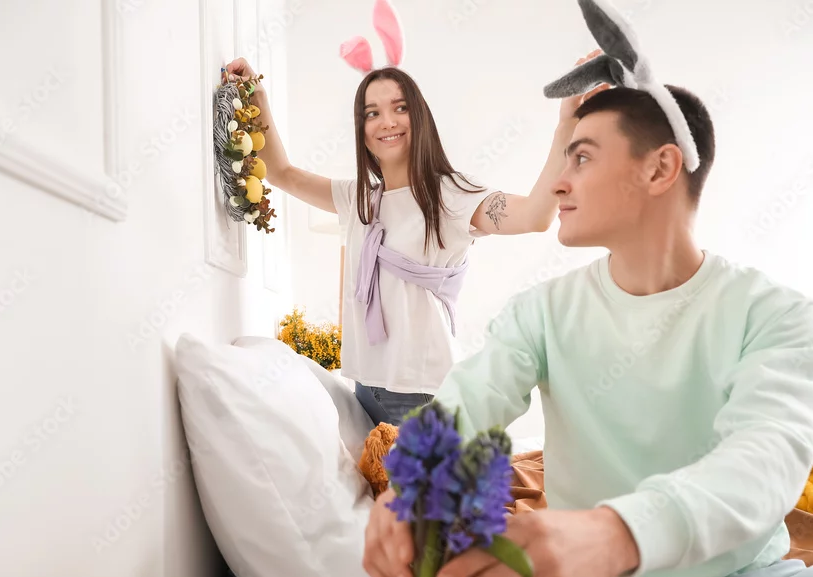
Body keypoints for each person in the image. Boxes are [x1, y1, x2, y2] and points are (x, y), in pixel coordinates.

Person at [361, 83, 813, 577]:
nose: (558, 182)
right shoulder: (541, 314)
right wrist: (407, 487)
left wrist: (613, 535)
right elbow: (468, 401)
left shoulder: (775, 314)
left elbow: (763, 464)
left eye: (582, 157)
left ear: (660, 168)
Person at [222, 55, 609, 427]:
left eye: (400, 108)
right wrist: (258, 97)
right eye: (372, 113)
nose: (387, 121)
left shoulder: (449, 195)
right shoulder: (359, 198)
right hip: (366, 388)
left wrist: (566, 126)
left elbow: (535, 216)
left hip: (422, 394)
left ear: (419, 116)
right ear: (362, 130)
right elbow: (282, 173)